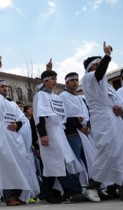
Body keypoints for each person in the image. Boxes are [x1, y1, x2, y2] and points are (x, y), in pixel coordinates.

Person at [0, 57, 39, 206]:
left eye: (7, 87)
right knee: (7, 166)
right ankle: (9, 198)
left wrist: (18, 126)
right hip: (2, 136)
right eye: (3, 87)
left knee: (19, 166)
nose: (6, 89)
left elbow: (23, 119)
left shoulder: (13, 104)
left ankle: (19, 195)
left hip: (15, 138)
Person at [81, 41, 123, 201]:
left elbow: (118, 101)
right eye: (98, 64)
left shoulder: (108, 85)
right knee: (106, 150)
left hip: (115, 119)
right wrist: (107, 55)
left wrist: (119, 108)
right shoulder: (89, 78)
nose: (101, 67)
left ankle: (121, 187)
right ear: (93, 66)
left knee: (120, 152)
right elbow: (99, 73)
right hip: (102, 120)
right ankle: (92, 186)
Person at [33, 68, 82, 204]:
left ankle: (48, 192)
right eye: (52, 78)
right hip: (49, 133)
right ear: (45, 81)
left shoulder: (55, 97)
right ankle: (70, 191)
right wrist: (43, 134)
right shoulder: (40, 96)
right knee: (55, 162)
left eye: (55, 78)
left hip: (59, 132)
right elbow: (39, 116)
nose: (55, 81)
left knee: (59, 162)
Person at [59, 72, 97, 202]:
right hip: (72, 134)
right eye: (72, 80)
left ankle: (94, 188)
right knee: (74, 163)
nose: (75, 82)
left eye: (76, 79)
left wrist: (87, 127)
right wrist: (80, 127)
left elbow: (87, 115)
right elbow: (67, 117)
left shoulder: (80, 98)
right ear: (67, 83)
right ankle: (75, 191)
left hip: (84, 133)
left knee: (90, 161)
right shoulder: (63, 96)